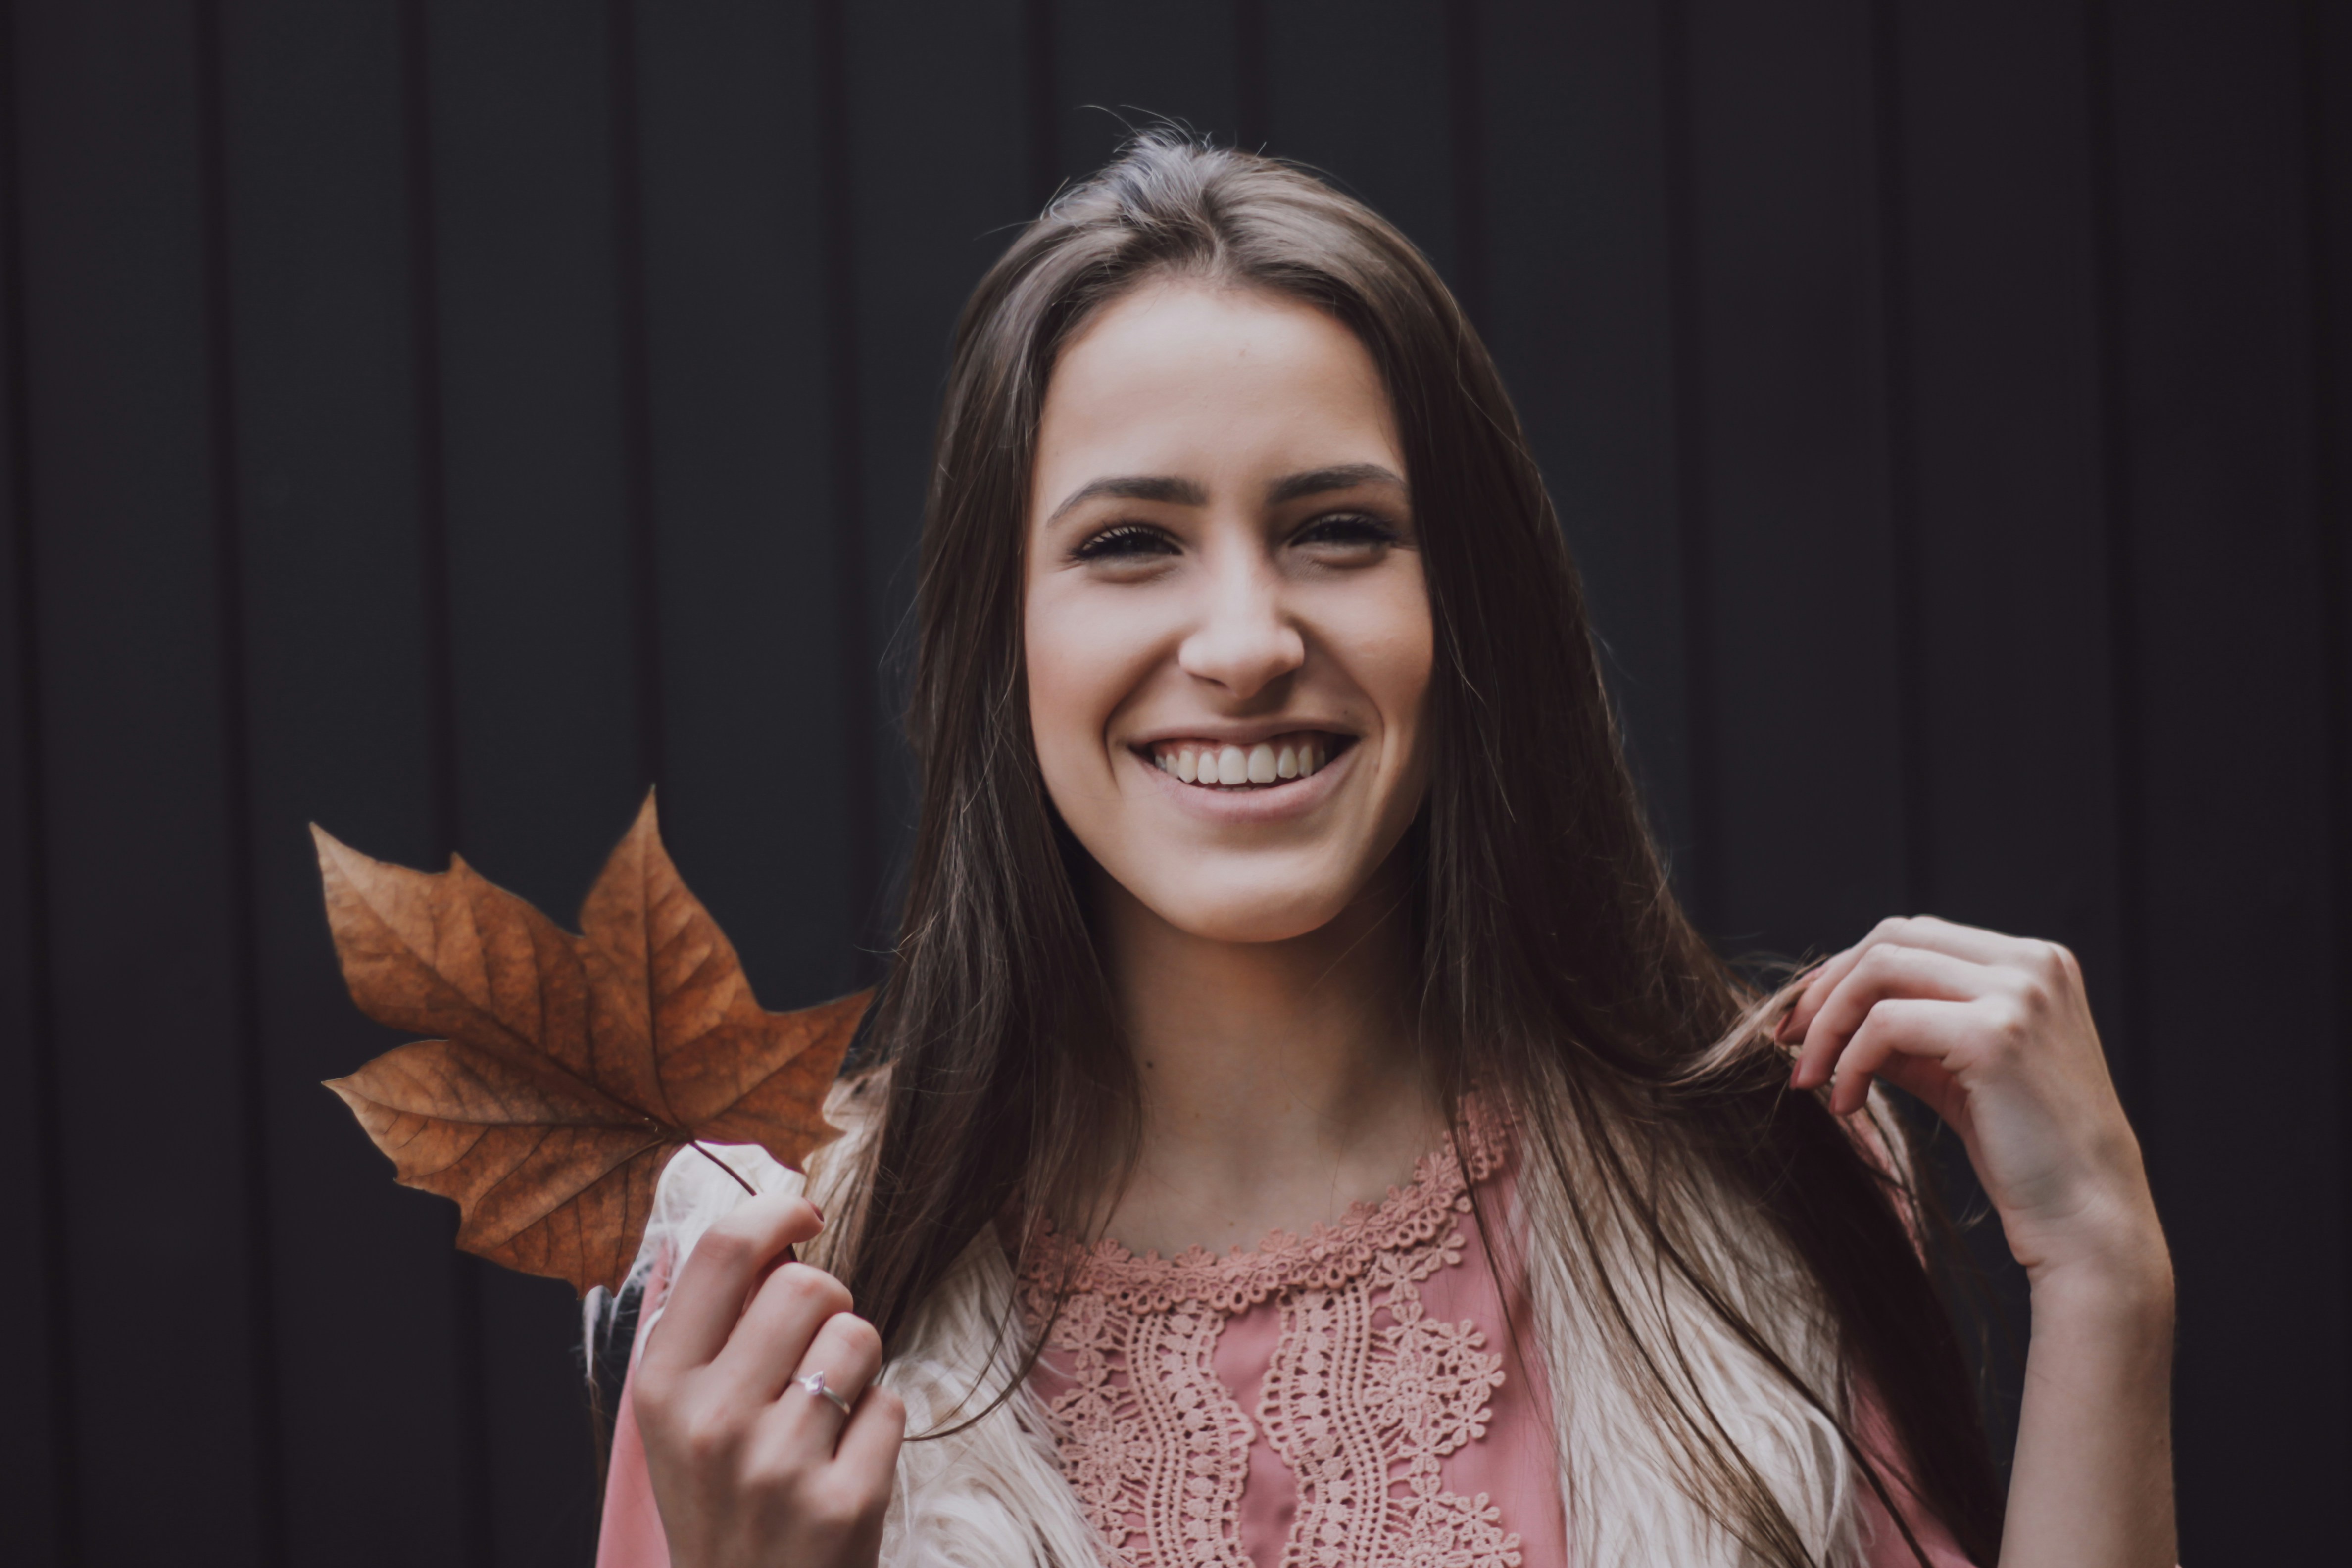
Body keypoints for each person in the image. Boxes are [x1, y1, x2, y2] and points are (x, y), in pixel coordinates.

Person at [592, 133, 2176, 1568]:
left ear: (1464, 608)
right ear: (1002, 645)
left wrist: (2108, 1286)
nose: (1244, 641)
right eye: (1130, 542)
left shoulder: (1766, 1196)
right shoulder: (778, 1320)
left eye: (1337, 530)